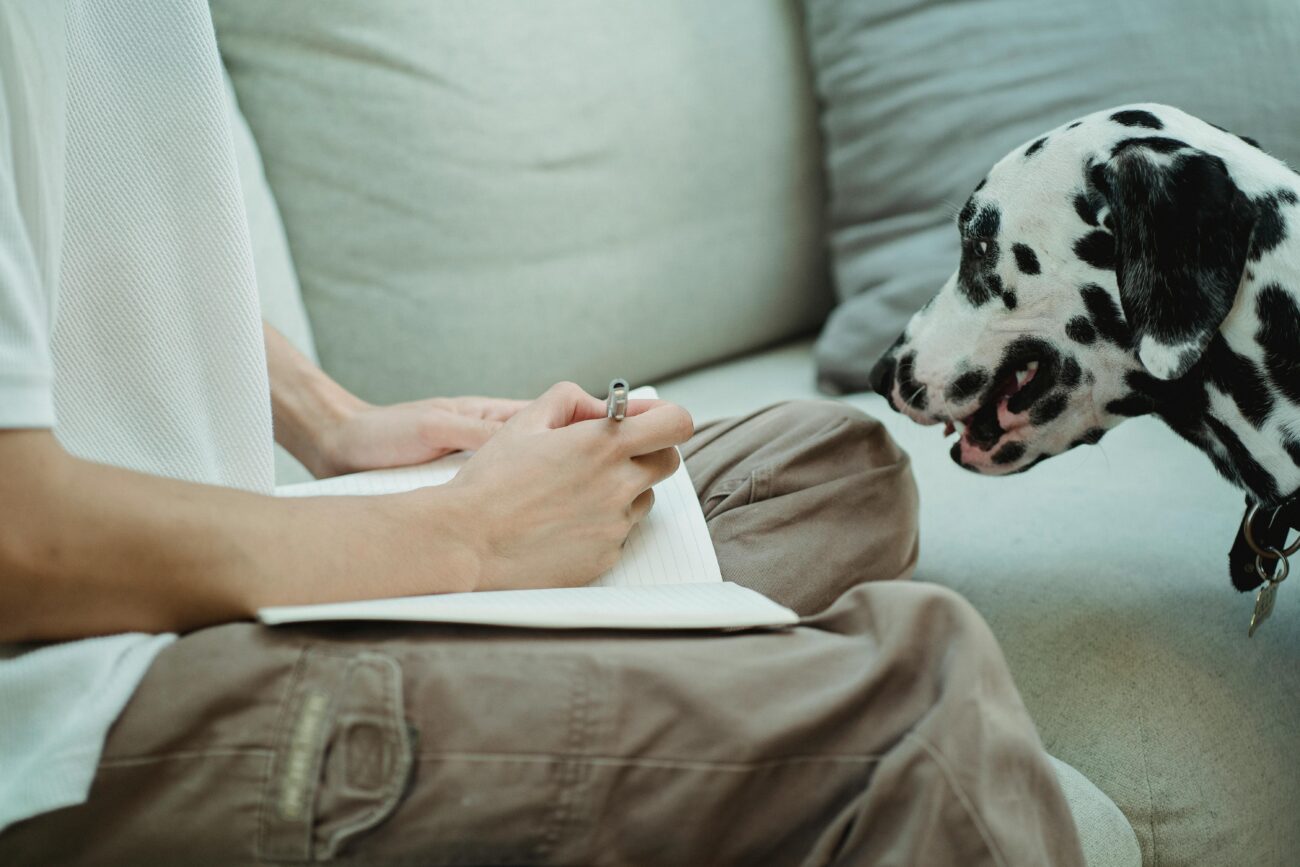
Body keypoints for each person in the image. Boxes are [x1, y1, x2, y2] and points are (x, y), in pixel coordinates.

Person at [0, 2, 1084, 864]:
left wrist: (337, 425)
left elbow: (95, 215)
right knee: (915, 717)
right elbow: (22, 546)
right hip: (69, 696)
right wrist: (464, 537)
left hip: (205, 543)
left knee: (831, 473)